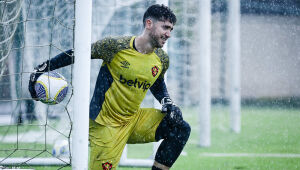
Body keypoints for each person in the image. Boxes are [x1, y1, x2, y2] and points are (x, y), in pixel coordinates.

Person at [28, 4, 190, 170]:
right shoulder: (115, 46)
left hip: (133, 120)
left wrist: (167, 102)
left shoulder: (161, 59)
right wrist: (42, 68)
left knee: (179, 127)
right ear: (149, 24)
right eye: (165, 27)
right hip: (104, 125)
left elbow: (156, 81)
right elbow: (79, 52)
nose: (169, 34)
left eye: (171, 29)